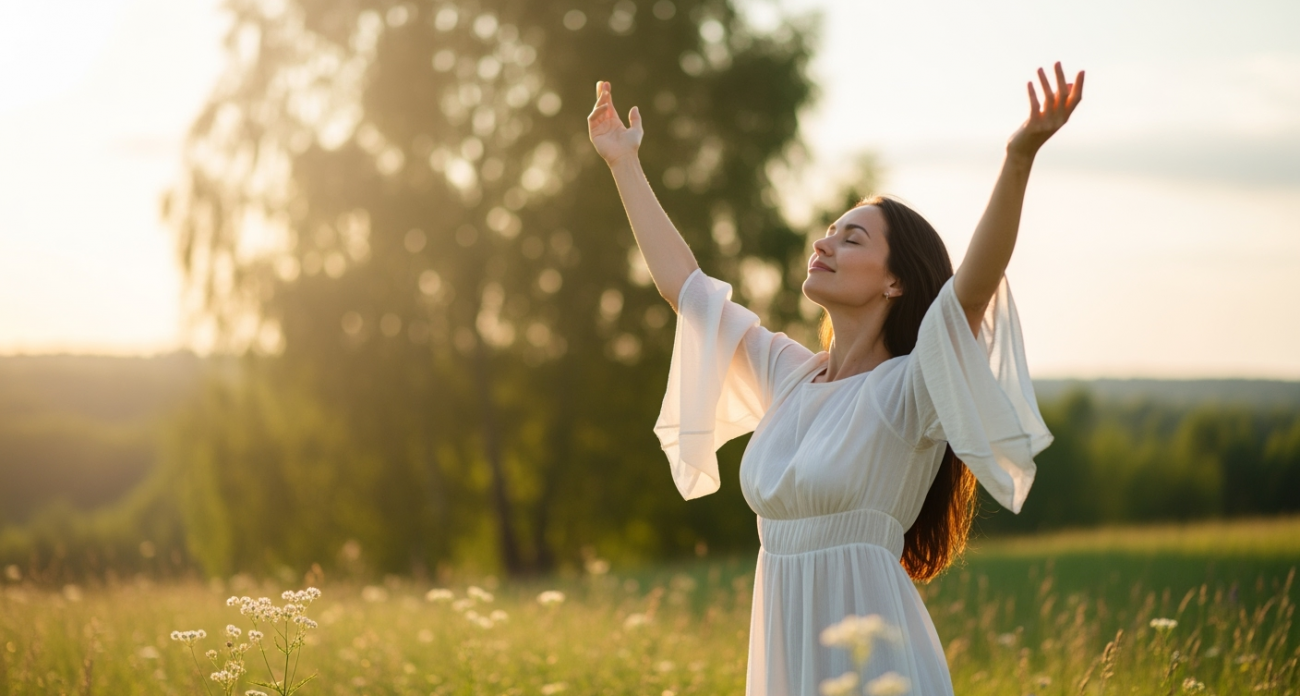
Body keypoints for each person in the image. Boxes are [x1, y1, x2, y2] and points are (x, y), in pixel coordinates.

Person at [588, 62, 1084, 696]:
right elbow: (687, 289)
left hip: (877, 665)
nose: (824, 244)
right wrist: (622, 164)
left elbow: (971, 291)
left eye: (851, 239)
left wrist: (1018, 159)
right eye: (828, 232)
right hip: (785, 662)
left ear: (894, 280)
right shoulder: (788, 376)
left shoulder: (908, 390)